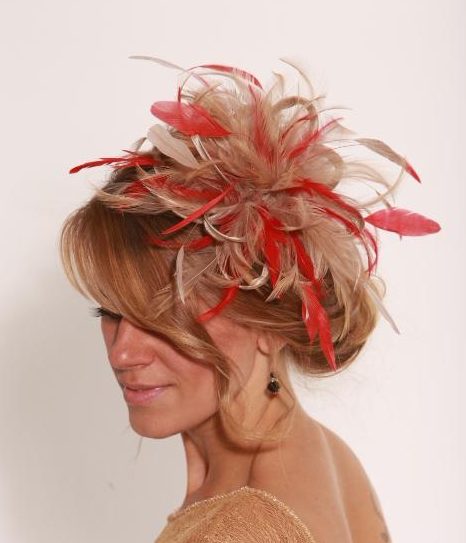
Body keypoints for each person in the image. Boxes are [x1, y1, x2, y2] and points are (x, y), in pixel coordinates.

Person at [60, 56, 440, 543]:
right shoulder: (323, 456)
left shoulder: (240, 527)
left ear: (268, 323)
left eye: (162, 316)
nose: (122, 353)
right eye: (110, 311)